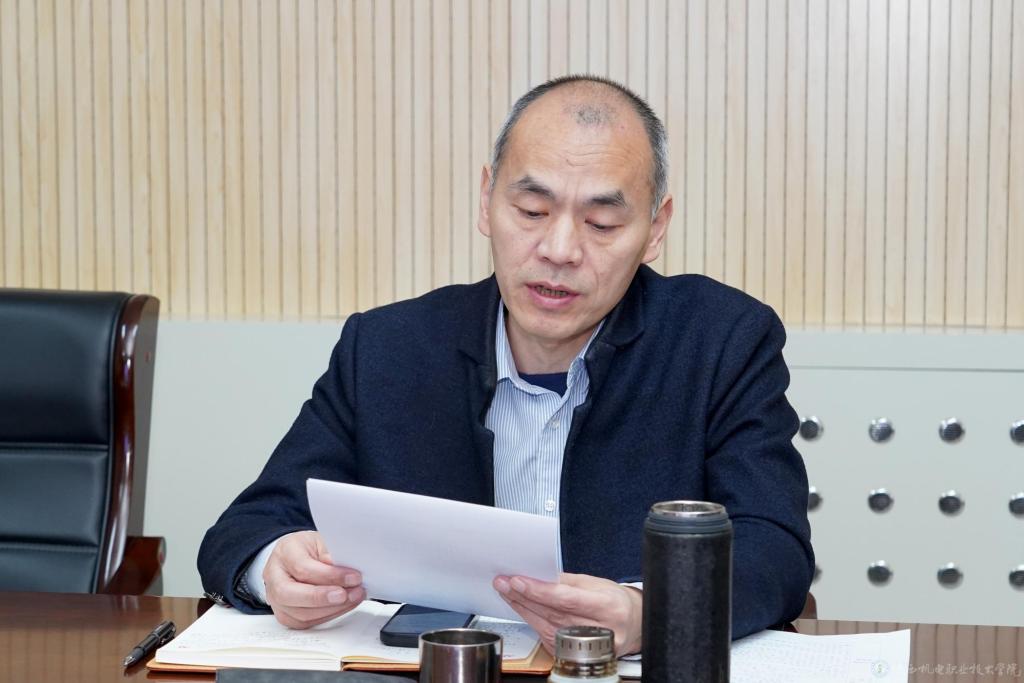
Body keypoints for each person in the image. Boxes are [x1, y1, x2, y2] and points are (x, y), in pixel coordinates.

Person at [198, 74, 814, 656]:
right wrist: (275, 567)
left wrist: (649, 614)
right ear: (486, 200)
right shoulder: (388, 348)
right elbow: (249, 526)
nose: (559, 250)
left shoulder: (721, 342)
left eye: (602, 223)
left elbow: (775, 549)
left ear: (655, 230)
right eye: (532, 211)